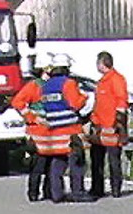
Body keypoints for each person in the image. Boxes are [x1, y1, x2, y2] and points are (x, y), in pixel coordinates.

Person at [40, 53, 96, 203]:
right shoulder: (69, 83)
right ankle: (77, 192)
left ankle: (56, 193)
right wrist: (84, 97)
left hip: (54, 131)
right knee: (77, 162)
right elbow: (75, 104)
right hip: (70, 130)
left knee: (58, 162)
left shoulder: (46, 87)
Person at [11, 52, 52, 202]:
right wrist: (32, 117)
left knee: (51, 166)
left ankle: (49, 192)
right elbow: (18, 103)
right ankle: (33, 193)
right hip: (37, 133)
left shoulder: (56, 86)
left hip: (53, 132)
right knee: (37, 166)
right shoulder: (33, 86)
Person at [88, 51, 129, 198]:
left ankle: (116, 188)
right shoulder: (102, 82)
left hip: (112, 127)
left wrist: (119, 123)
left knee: (113, 160)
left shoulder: (116, 79)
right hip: (99, 128)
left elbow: (121, 102)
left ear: (102, 63)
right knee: (96, 160)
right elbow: (98, 104)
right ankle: (97, 188)